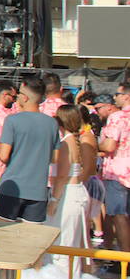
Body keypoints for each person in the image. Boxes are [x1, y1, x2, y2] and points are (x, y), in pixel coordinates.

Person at [0, 77, 61, 224]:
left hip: (12, 187)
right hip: (38, 191)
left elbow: (3, 156)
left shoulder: (12, 120)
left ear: (25, 97)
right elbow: (55, 158)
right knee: (30, 236)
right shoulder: (52, 123)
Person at [50, 105, 97, 252]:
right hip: (75, 192)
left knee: (63, 242)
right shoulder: (71, 140)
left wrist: (53, 201)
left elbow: (62, 176)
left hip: (68, 195)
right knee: (73, 242)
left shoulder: (66, 142)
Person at [97, 83, 130, 260]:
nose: (115, 97)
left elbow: (109, 146)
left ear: (126, 96)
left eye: (117, 94)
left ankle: (125, 259)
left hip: (118, 171)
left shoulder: (118, 117)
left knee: (119, 215)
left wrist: (96, 144)